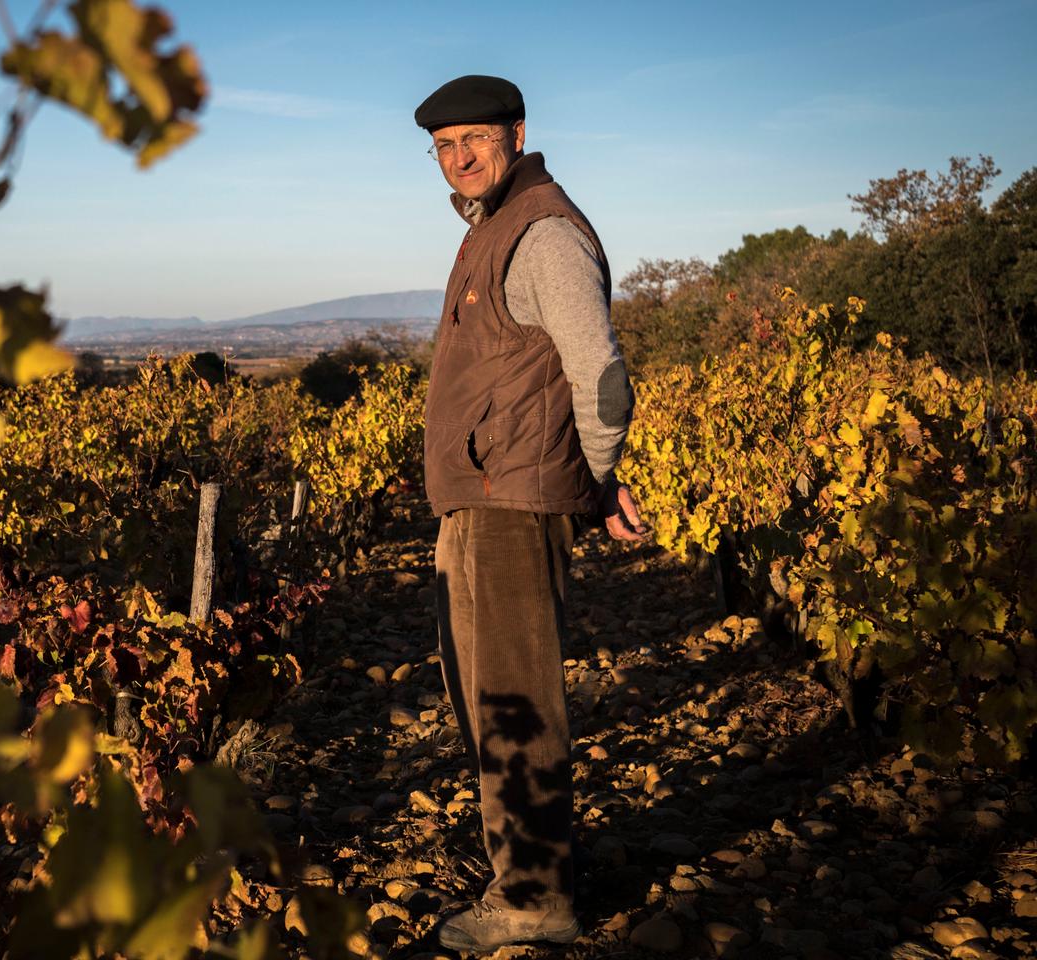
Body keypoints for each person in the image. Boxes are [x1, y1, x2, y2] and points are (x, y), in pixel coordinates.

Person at [415, 74, 650, 951]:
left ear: (517, 133)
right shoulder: (495, 228)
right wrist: (593, 486)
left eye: (474, 137)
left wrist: (592, 477)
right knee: (484, 701)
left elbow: (603, 378)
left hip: (511, 503)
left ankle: (535, 902)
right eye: (443, 146)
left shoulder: (543, 232)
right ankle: (525, 871)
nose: (459, 156)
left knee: (516, 703)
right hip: (484, 498)